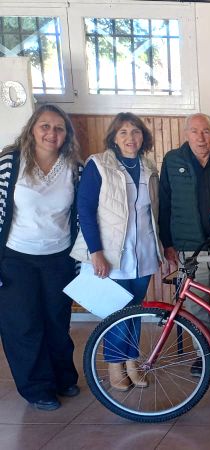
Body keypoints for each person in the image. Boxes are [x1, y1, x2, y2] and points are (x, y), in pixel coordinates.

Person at [71, 112, 163, 391]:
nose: (130, 137)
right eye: (123, 132)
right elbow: (85, 210)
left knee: (134, 311)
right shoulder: (99, 164)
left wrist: (161, 248)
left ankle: (132, 361)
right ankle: (114, 364)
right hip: (111, 254)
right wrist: (96, 251)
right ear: (114, 137)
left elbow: (155, 212)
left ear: (143, 137)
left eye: (135, 131)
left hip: (143, 252)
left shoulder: (149, 167)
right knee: (116, 312)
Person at [0, 105, 82, 410]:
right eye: (45, 126)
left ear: (67, 134)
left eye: (59, 128)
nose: (51, 133)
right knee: (23, 325)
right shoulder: (10, 162)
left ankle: (62, 377)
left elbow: (79, 217)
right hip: (15, 258)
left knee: (57, 322)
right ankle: (37, 388)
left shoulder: (75, 169)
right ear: (32, 129)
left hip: (58, 258)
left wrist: (80, 261)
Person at [158, 113, 210, 375]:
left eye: (206, 131)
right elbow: (164, 203)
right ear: (186, 134)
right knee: (195, 304)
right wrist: (167, 243)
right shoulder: (173, 160)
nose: (201, 137)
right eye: (194, 131)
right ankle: (203, 352)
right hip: (188, 247)